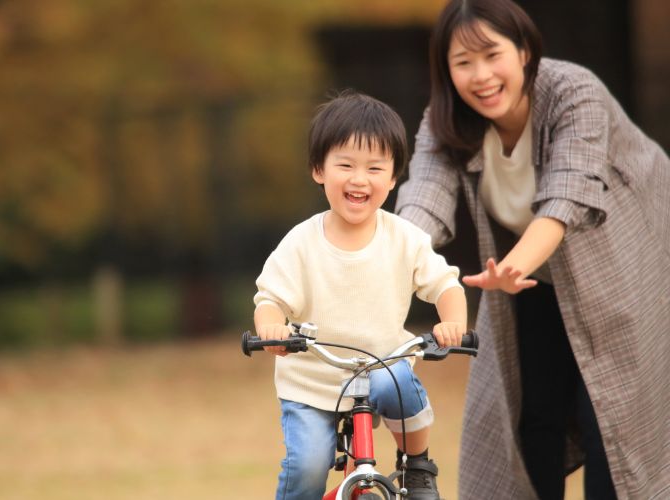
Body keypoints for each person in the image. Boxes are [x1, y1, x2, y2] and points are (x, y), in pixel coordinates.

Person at [394, 0, 670, 498]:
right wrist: (380, 264)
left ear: (524, 51)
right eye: (463, 63)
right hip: (530, 279)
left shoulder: (573, 92)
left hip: (630, 269)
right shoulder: (446, 118)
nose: (480, 76)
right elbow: (424, 200)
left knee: (608, 417)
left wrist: (512, 267)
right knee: (527, 413)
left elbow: (564, 199)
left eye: (491, 54)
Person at [253, 91, 468, 500]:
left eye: (374, 168)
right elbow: (270, 299)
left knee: (402, 383)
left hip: (382, 370)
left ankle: (418, 463)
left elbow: (445, 284)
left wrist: (452, 320)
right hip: (312, 383)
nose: (359, 178)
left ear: (392, 178)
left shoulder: (403, 237)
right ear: (319, 169)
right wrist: (272, 330)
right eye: (345, 165)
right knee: (307, 465)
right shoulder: (301, 243)